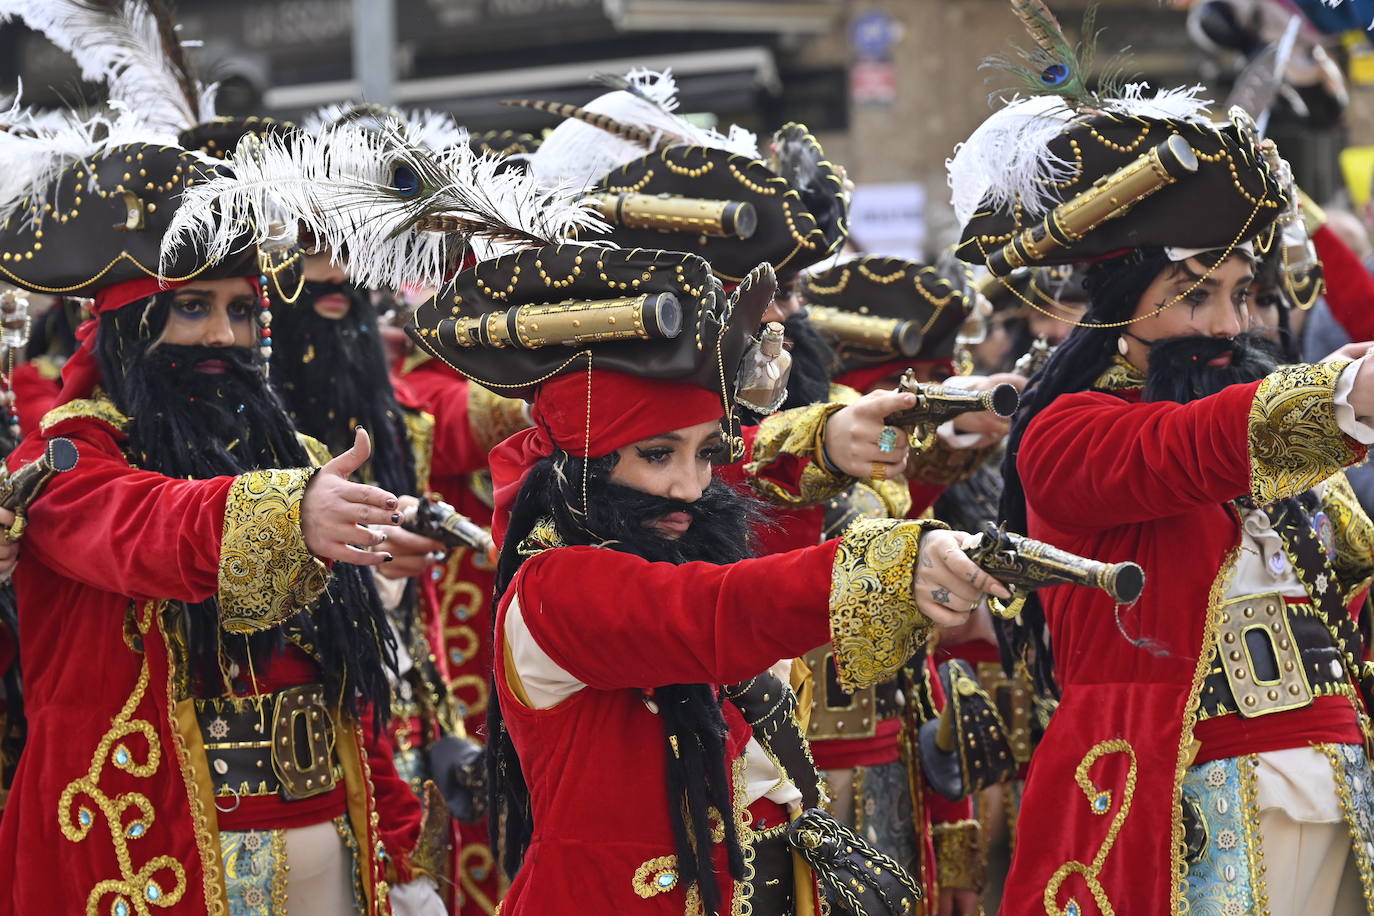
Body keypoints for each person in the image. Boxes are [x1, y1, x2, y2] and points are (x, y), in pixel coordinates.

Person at [402, 240, 1010, 914]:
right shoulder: (555, 589)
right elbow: (706, 613)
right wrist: (887, 567)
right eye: (659, 455)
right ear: (581, 465)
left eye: (708, 455)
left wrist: (831, 439)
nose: (690, 489)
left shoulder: (673, 540)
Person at [951, 9, 1374, 909]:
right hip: (1172, 800)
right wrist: (1337, 398)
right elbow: (1180, 451)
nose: (1227, 325)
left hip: (1339, 788)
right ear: (1116, 302)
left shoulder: (1269, 437)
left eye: (1242, 295)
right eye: (1195, 294)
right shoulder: (1068, 432)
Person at [0, 123, 447, 914]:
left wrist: (403, 849)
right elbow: (142, 528)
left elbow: (349, 689)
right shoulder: (62, 464)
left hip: (330, 856)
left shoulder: (296, 460)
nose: (220, 335)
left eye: (242, 313)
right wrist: (292, 515)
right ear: (130, 330)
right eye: (190, 309)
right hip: (149, 862)